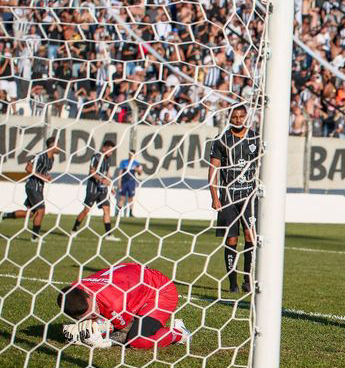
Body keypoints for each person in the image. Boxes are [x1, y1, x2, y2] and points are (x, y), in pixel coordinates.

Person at [57, 263, 190, 349]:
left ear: (88, 294)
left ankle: (179, 332)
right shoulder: (75, 288)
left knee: (138, 341)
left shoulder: (114, 302)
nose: (95, 315)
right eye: (88, 316)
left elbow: (125, 331)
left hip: (160, 290)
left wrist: (106, 341)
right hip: (135, 281)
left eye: (95, 311)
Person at [208, 105, 259, 293]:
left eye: (241, 117)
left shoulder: (255, 137)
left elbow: (264, 165)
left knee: (250, 236)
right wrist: (214, 196)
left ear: (246, 117)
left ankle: (247, 279)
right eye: (234, 117)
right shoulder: (221, 140)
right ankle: (233, 283)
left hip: (249, 197)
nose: (238, 120)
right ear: (230, 118)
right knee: (231, 239)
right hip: (228, 197)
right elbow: (213, 169)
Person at [1, 137, 59, 241]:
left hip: (39, 188)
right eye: (58, 145)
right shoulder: (40, 155)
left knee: (31, 213)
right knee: (41, 210)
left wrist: (47, 176)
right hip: (32, 186)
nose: (60, 147)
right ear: (52, 145)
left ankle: (3, 215)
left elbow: (42, 171)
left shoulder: (52, 159)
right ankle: (35, 238)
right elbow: (28, 168)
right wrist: (43, 177)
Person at [71, 140, 120, 241]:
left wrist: (110, 186)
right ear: (104, 148)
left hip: (103, 189)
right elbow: (92, 172)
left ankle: (109, 235)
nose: (111, 152)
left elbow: (106, 173)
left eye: (112, 151)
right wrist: (102, 180)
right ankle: (74, 230)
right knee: (86, 210)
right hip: (93, 188)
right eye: (110, 150)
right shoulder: (96, 157)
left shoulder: (108, 159)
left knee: (107, 210)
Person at [116, 149, 142, 217]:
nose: (131, 156)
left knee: (131, 198)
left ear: (135, 155)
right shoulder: (124, 162)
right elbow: (120, 172)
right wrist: (119, 182)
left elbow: (140, 173)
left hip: (131, 182)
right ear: (129, 154)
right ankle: (118, 213)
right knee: (122, 197)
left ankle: (130, 213)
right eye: (130, 154)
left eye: (133, 155)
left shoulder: (136, 163)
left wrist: (137, 169)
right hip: (124, 182)